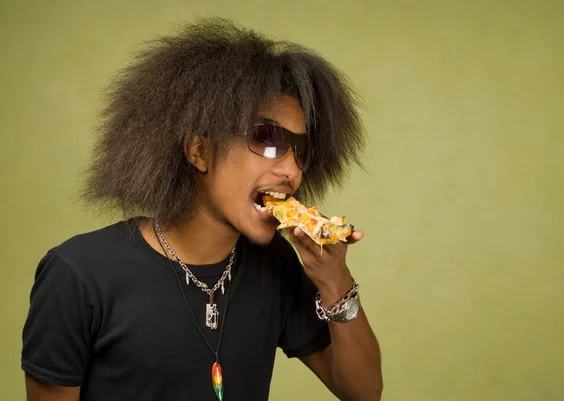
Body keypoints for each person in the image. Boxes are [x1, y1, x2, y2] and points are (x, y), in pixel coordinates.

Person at [21, 17, 383, 401]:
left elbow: (363, 392)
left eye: (301, 151)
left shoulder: (275, 265)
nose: (293, 171)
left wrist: (334, 280)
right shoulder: (78, 275)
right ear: (199, 150)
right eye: (268, 139)